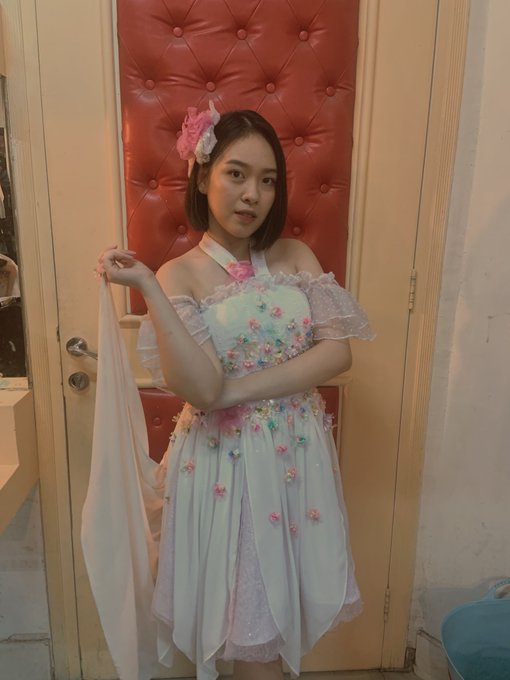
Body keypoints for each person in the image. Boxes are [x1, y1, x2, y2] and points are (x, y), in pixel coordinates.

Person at [96, 104, 374, 680]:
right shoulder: (178, 275)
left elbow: (337, 352)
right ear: (203, 177)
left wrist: (236, 390)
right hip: (227, 466)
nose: (253, 195)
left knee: (274, 623)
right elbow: (201, 387)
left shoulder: (295, 257)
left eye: (268, 181)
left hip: (296, 461)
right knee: (251, 636)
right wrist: (147, 284)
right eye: (236, 174)